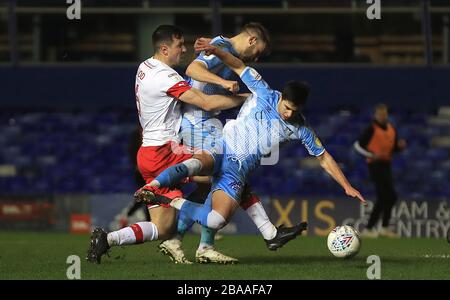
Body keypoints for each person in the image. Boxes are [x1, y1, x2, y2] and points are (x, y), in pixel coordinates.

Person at [135, 38, 366, 253]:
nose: (288, 114)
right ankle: (153, 187)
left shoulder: (300, 128)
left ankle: (169, 201)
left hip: (237, 170)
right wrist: (216, 50)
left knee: (216, 219)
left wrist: (346, 185)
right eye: (286, 107)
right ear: (282, 97)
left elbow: (323, 157)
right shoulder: (264, 91)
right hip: (221, 147)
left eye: (294, 111)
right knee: (196, 164)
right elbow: (237, 65)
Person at [86, 25, 247, 264]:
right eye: (179, 46)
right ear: (164, 49)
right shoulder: (165, 76)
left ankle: (107, 240)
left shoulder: (145, 66)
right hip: (164, 153)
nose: (183, 50)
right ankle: (207, 244)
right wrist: (248, 99)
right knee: (223, 173)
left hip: (148, 155)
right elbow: (206, 102)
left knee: (162, 228)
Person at [159, 23, 305, 264]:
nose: (256, 58)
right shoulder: (221, 45)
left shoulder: (224, 50)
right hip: (198, 123)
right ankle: (260, 235)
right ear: (251, 41)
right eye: (258, 52)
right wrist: (224, 83)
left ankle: (180, 241)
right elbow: (193, 69)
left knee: (215, 186)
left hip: (205, 123)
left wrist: (248, 97)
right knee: (230, 177)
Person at [354, 104, 406, 238]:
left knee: (390, 197)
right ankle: (371, 228)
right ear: (375, 115)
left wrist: (399, 147)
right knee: (385, 196)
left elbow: (392, 148)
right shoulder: (371, 129)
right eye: (380, 114)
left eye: (384, 114)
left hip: (386, 165)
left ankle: (382, 227)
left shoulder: (391, 129)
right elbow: (358, 146)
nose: (382, 117)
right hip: (375, 165)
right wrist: (371, 154)